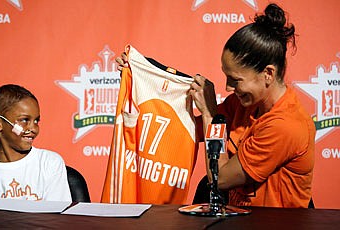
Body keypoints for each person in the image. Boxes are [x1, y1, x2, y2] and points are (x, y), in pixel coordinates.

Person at [116, 3, 315, 208]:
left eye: (235, 80)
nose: (228, 87)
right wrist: (138, 75)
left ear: (268, 74)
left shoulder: (286, 125)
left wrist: (210, 115)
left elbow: (219, 179)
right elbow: (187, 129)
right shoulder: (243, 103)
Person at [0, 84, 72, 202]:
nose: (34, 129)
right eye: (24, 120)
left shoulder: (49, 162)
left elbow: (56, 216)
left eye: (36, 121)